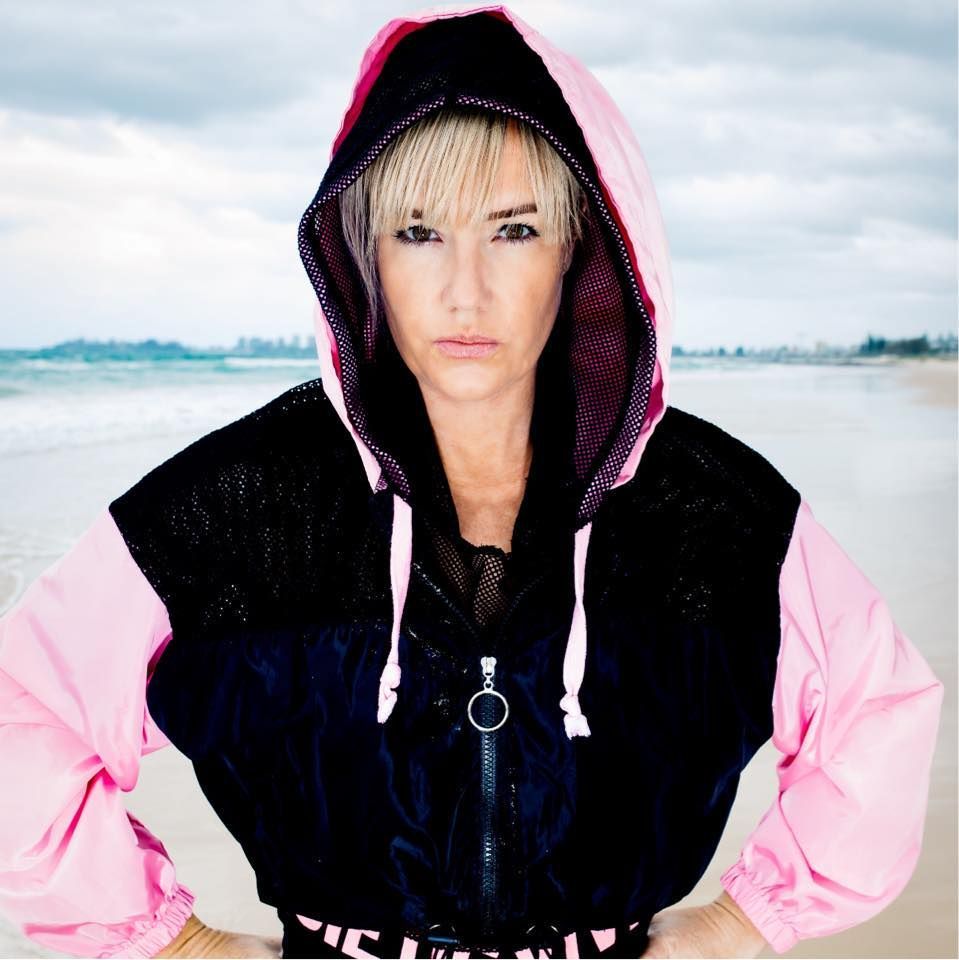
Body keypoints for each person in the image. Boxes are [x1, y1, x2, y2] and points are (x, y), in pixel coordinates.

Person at [0, 5, 944, 959]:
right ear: (363, 252)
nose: (465, 290)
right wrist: (178, 945)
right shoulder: (239, 505)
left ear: (580, 248)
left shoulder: (713, 508)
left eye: (513, 231)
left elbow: (877, 707)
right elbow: (23, 709)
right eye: (419, 232)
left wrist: (742, 924)